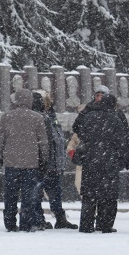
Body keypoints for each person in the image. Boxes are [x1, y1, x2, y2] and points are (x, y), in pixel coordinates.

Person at [72, 87, 129, 233]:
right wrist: (122, 159)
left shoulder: (88, 116)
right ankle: (105, 224)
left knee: (89, 195)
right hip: (109, 161)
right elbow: (122, 141)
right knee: (108, 195)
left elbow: (79, 132)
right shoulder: (115, 119)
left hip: (91, 160)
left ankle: (86, 224)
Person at [0, 86, 48, 232]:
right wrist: (44, 158)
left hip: (11, 162)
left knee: (10, 195)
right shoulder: (37, 117)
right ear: (30, 100)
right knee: (28, 196)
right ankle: (26, 223)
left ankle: (10, 223)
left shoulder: (7, 117)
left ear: (16, 100)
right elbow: (43, 141)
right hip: (31, 163)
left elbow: (0, 138)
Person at [32, 90, 77, 229]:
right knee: (37, 193)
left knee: (55, 193)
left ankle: (60, 218)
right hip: (42, 163)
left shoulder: (51, 116)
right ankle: (38, 219)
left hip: (53, 163)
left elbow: (57, 140)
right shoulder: (37, 117)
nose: (47, 102)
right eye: (44, 100)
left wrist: (59, 162)